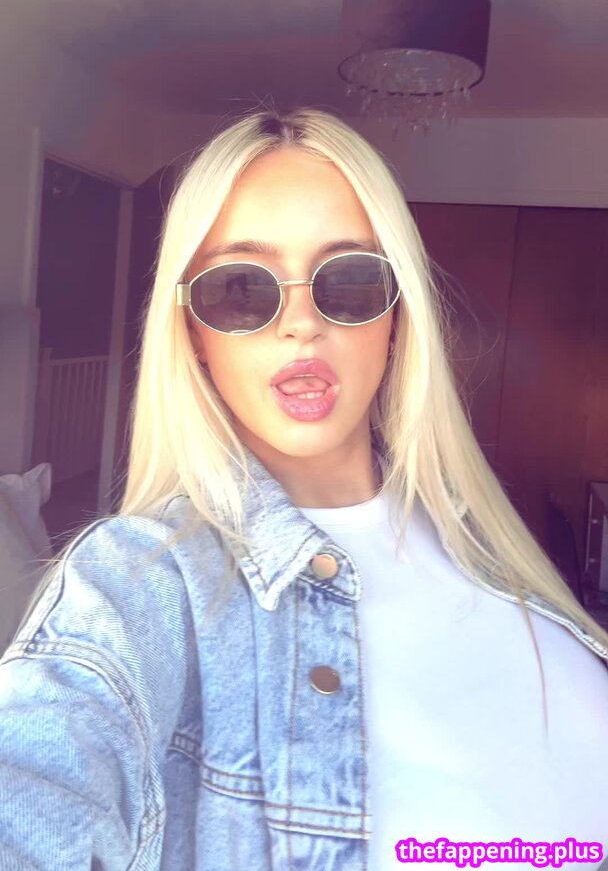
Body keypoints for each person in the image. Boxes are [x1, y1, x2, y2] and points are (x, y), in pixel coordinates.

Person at [1, 108, 607, 871]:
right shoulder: (136, 583)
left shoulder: (478, 537)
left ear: (397, 315)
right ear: (193, 333)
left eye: (348, 280)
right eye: (241, 289)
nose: (300, 325)